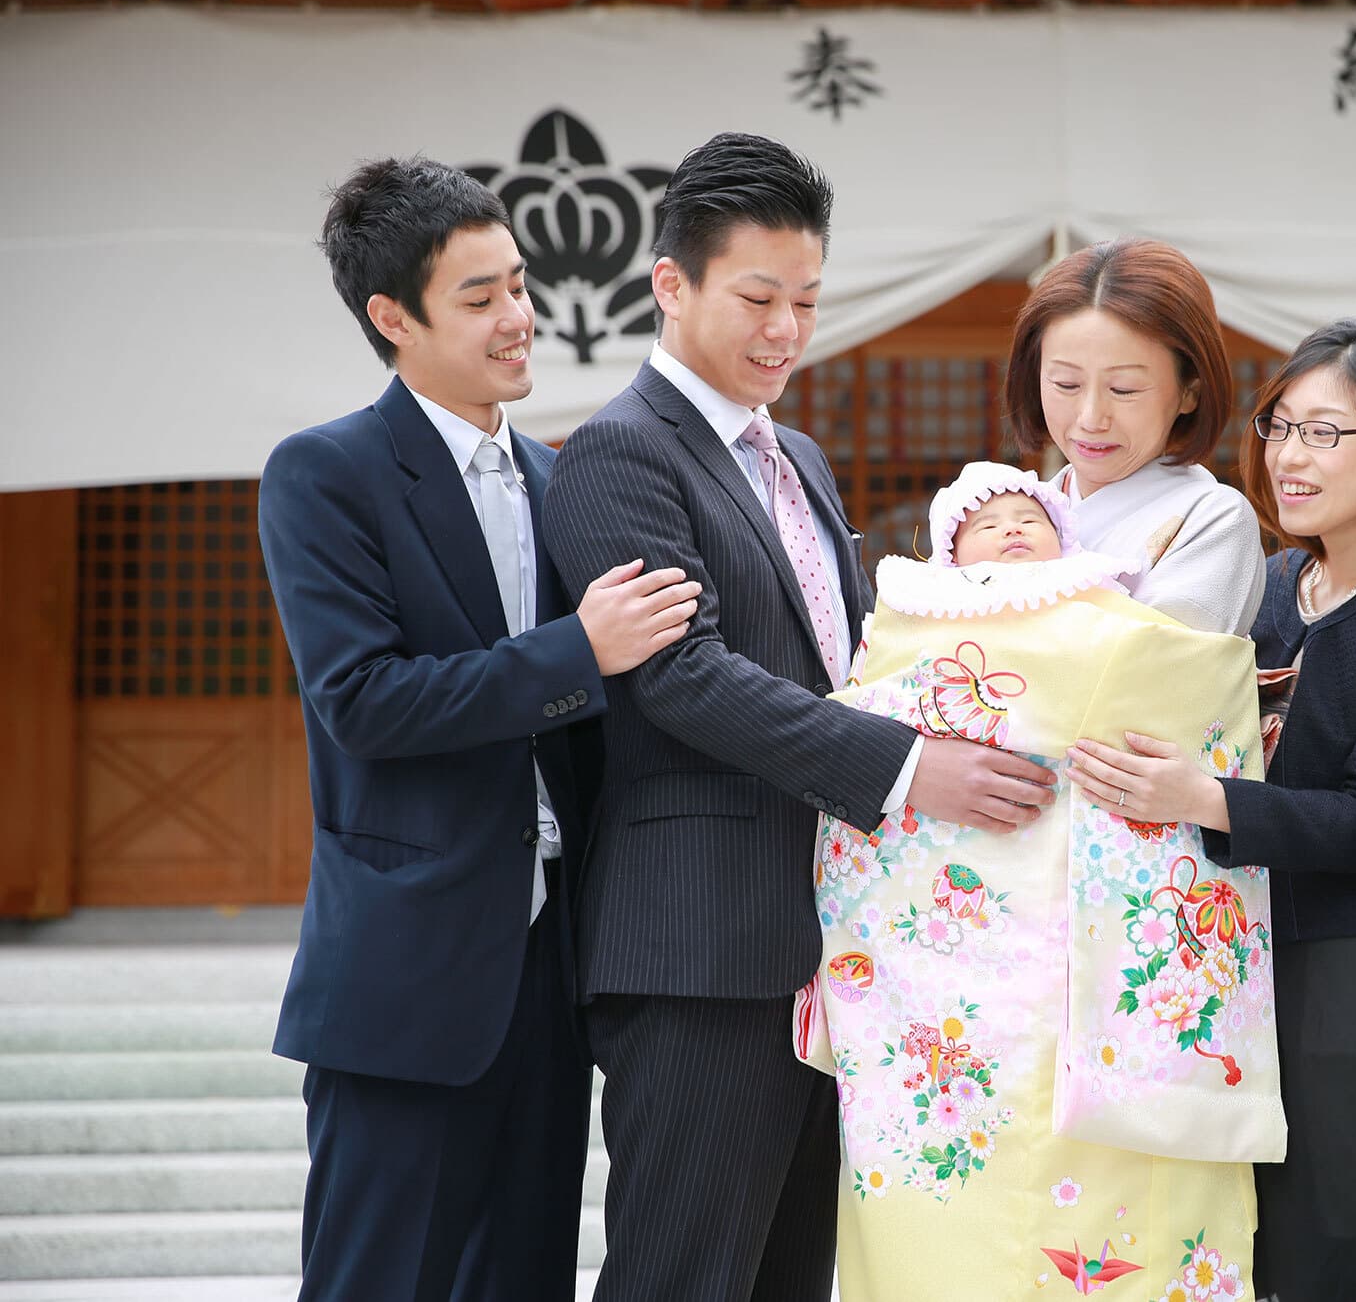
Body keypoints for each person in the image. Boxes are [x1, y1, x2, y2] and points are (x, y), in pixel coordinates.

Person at [538, 133, 1057, 1301]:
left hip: (830, 942)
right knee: (681, 1275)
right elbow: (680, 677)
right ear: (669, 285)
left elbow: (844, 661)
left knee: (787, 1279)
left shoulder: (802, 458)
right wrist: (909, 765)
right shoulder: (619, 454)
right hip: (699, 943)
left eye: (807, 300)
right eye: (757, 297)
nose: (786, 327)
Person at [258, 157, 700, 1301]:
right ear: (391, 317)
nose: (518, 318)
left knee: (525, 1277)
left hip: (553, 977)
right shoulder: (325, 473)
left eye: (518, 284)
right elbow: (364, 700)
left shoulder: (564, 476)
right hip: (404, 980)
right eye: (480, 296)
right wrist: (576, 652)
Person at [1069, 319, 1356, 1302]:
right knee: (1238, 1228)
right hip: (1237, 949)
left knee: (1346, 1222)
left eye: (1324, 433)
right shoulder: (1268, 585)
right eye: (1279, 427)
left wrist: (1204, 795)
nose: (1288, 457)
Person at [801, 460, 1281, 1300]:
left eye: (1032, 517)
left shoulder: (1108, 597)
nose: (1013, 530)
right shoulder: (915, 611)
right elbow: (868, 709)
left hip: (1075, 939)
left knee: (1105, 1178)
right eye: (988, 524)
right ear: (950, 552)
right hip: (949, 964)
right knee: (949, 1173)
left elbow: (1170, 681)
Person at [1005, 237, 1266, 636]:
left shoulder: (1213, 520)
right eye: (1065, 384)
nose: (1091, 418)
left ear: (1189, 392)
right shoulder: (1016, 512)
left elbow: (1150, 675)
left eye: (1123, 389)